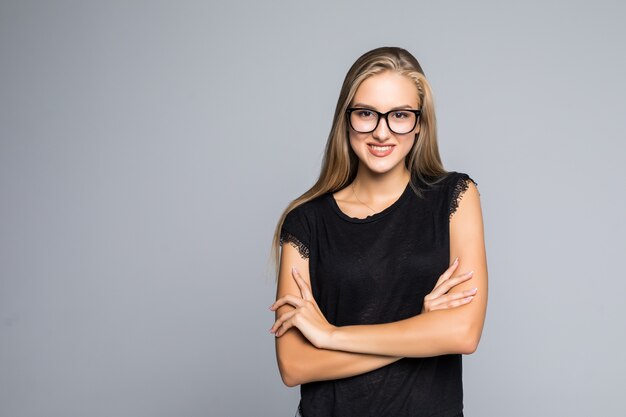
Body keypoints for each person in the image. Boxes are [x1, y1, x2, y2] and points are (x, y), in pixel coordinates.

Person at [268, 46, 488, 417]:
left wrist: (332, 337)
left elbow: (462, 334)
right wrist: (422, 330)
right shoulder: (306, 221)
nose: (382, 132)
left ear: (419, 123)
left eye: (400, 115)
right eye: (366, 114)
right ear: (346, 118)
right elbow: (294, 365)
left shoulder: (456, 196)